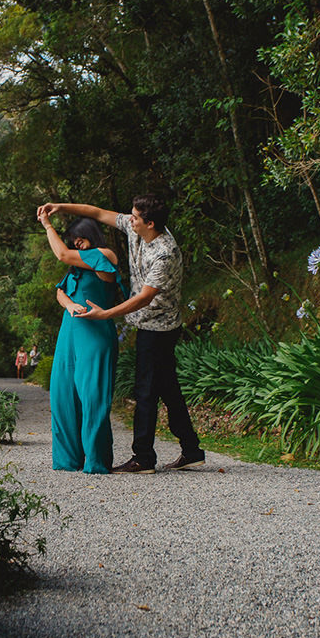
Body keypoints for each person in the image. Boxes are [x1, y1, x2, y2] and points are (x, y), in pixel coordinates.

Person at [37, 195, 205, 474]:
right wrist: (60, 207)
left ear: (149, 223)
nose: (130, 219)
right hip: (144, 323)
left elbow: (144, 298)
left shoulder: (165, 253)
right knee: (168, 389)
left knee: (146, 390)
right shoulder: (136, 227)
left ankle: (143, 459)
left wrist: (106, 314)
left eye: (135, 217)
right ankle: (191, 449)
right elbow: (96, 211)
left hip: (159, 326)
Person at [38, 213, 125, 474]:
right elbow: (60, 292)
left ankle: (96, 461)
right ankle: (67, 460)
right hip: (69, 333)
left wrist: (47, 224)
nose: (76, 243)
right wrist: (70, 304)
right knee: (62, 393)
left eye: (79, 238)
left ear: (90, 234)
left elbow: (62, 255)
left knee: (93, 396)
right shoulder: (78, 266)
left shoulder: (105, 256)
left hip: (95, 334)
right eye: (73, 240)